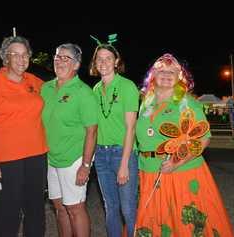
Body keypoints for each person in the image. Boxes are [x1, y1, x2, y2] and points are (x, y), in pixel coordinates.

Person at [135, 53, 234, 236]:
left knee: (185, 224)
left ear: (179, 76)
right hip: (147, 171)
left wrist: (176, 163)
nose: (166, 74)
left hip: (180, 173)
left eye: (172, 71)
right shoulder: (146, 102)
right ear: (153, 75)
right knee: (153, 222)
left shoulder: (187, 102)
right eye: (161, 70)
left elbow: (204, 138)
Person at [0, 36, 48, 237]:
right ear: (5, 58)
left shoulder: (34, 81)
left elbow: (61, 94)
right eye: (15, 54)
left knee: (36, 212)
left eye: (25, 54)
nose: (21, 59)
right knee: (8, 214)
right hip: (6, 160)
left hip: (36, 156)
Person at [41, 43, 98, 237]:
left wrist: (85, 165)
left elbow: (92, 131)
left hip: (73, 159)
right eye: (57, 57)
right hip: (51, 158)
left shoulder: (84, 92)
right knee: (59, 207)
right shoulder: (46, 88)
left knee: (75, 208)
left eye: (66, 58)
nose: (59, 61)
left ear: (76, 65)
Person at [89, 35, 139, 237]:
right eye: (99, 59)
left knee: (127, 209)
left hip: (122, 153)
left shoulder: (128, 87)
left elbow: (131, 128)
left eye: (108, 58)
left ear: (116, 61)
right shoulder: (95, 90)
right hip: (101, 155)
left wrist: (125, 163)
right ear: (94, 63)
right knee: (111, 207)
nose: (103, 62)